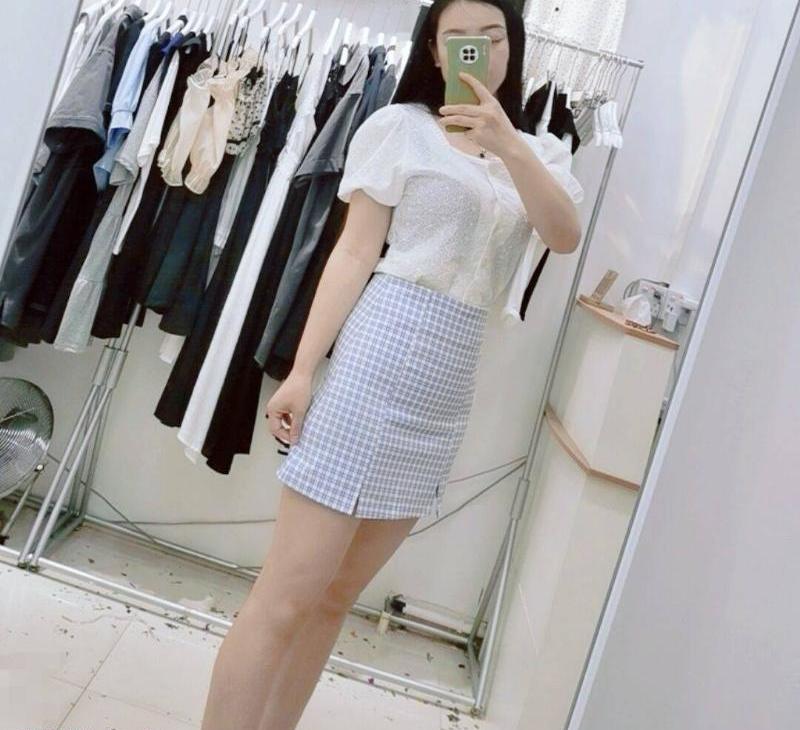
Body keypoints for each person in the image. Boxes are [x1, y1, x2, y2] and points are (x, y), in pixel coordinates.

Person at [200, 1, 583, 728]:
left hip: (447, 386)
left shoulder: (541, 155)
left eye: (494, 37)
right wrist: (303, 371)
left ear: (514, 46)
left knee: (336, 599)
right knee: (286, 597)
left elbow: (562, 236)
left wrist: (508, 144)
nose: (479, 50)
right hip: (379, 354)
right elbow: (353, 253)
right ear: (435, 52)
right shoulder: (399, 128)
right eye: (460, 38)